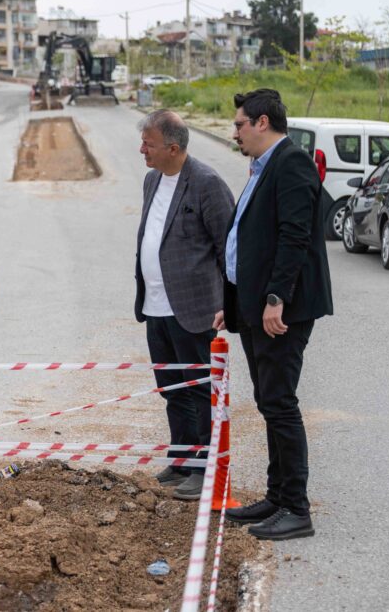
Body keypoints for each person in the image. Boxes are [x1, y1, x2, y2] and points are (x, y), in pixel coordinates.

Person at [218, 88, 333, 540]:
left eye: (240, 124)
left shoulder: (292, 163)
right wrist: (234, 306)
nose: (235, 132)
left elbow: (295, 236)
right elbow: (249, 241)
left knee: (280, 403)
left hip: (280, 311)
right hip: (258, 308)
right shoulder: (265, 166)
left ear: (262, 122)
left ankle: (297, 509)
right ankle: (277, 496)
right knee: (269, 402)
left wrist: (274, 299)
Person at [134, 109, 234, 501]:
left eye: (149, 144)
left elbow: (228, 246)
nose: (142, 149)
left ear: (173, 148)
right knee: (172, 389)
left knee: (198, 391)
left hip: (193, 308)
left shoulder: (207, 184)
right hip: (155, 306)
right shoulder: (151, 180)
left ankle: (202, 468)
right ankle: (181, 459)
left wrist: (230, 301)